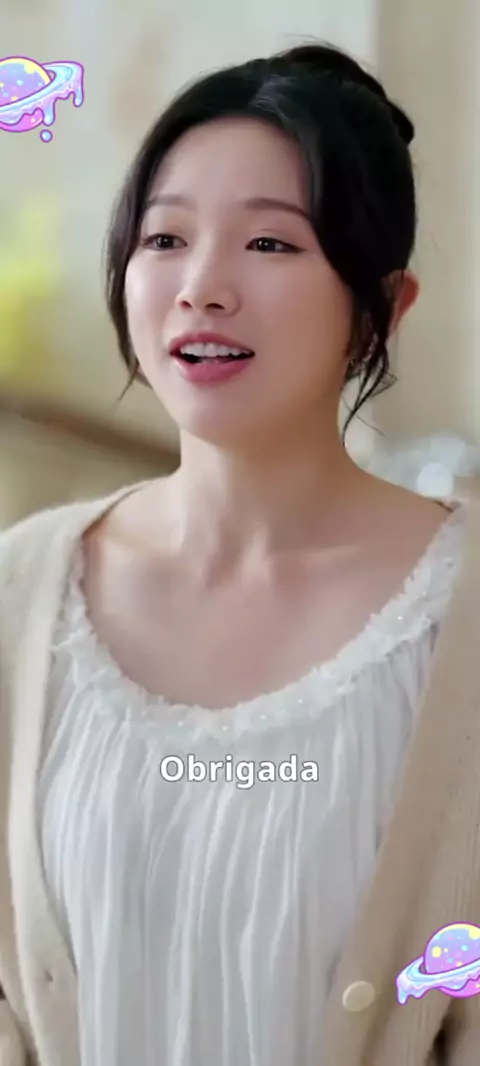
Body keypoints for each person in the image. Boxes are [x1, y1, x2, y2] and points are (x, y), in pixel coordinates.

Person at [1, 39, 480, 1066]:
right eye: (165, 238)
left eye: (270, 243)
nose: (203, 287)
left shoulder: (461, 615)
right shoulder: (20, 592)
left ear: (383, 306)